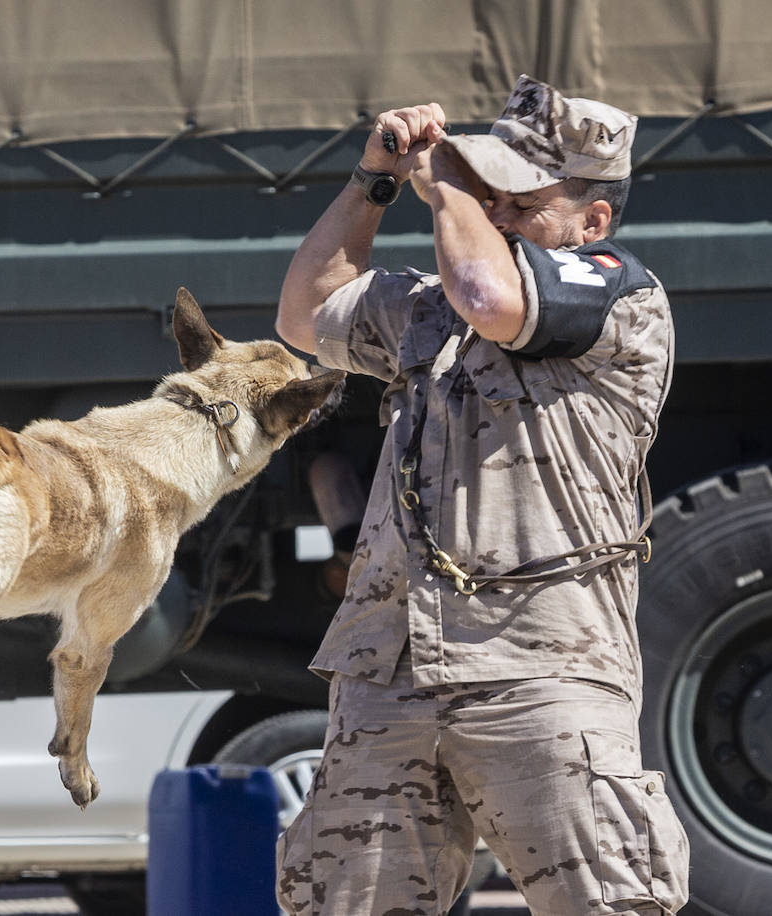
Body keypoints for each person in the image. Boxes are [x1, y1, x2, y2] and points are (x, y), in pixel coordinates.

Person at [272, 75, 690, 915]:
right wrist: (374, 179)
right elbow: (303, 313)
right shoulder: (430, 309)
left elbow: (494, 297)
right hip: (391, 664)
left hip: (539, 665)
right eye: (481, 190)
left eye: (516, 200)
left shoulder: (617, 295)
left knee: (605, 903)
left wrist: (453, 188)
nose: (489, 213)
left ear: (592, 219)